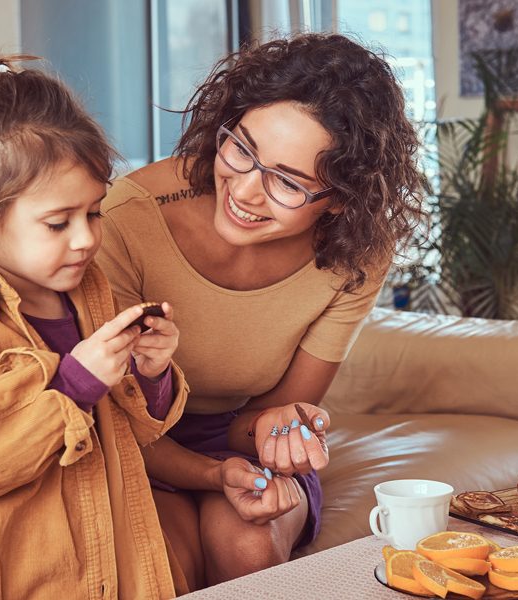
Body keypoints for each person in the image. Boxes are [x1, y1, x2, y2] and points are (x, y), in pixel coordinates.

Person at [96, 32, 424, 589]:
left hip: (241, 445)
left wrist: (281, 429)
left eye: (288, 182)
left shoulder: (358, 253)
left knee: (249, 546)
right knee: (164, 571)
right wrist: (207, 473)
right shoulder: (125, 219)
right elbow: (117, 413)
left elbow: (270, 415)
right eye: (241, 150)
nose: (246, 192)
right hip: (136, 441)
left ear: (341, 197)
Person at [0, 44, 195, 599]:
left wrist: (152, 372)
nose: (86, 239)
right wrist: (73, 385)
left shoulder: (93, 298)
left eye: (94, 212)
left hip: (105, 569)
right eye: (57, 223)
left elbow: (133, 430)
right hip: (3, 578)